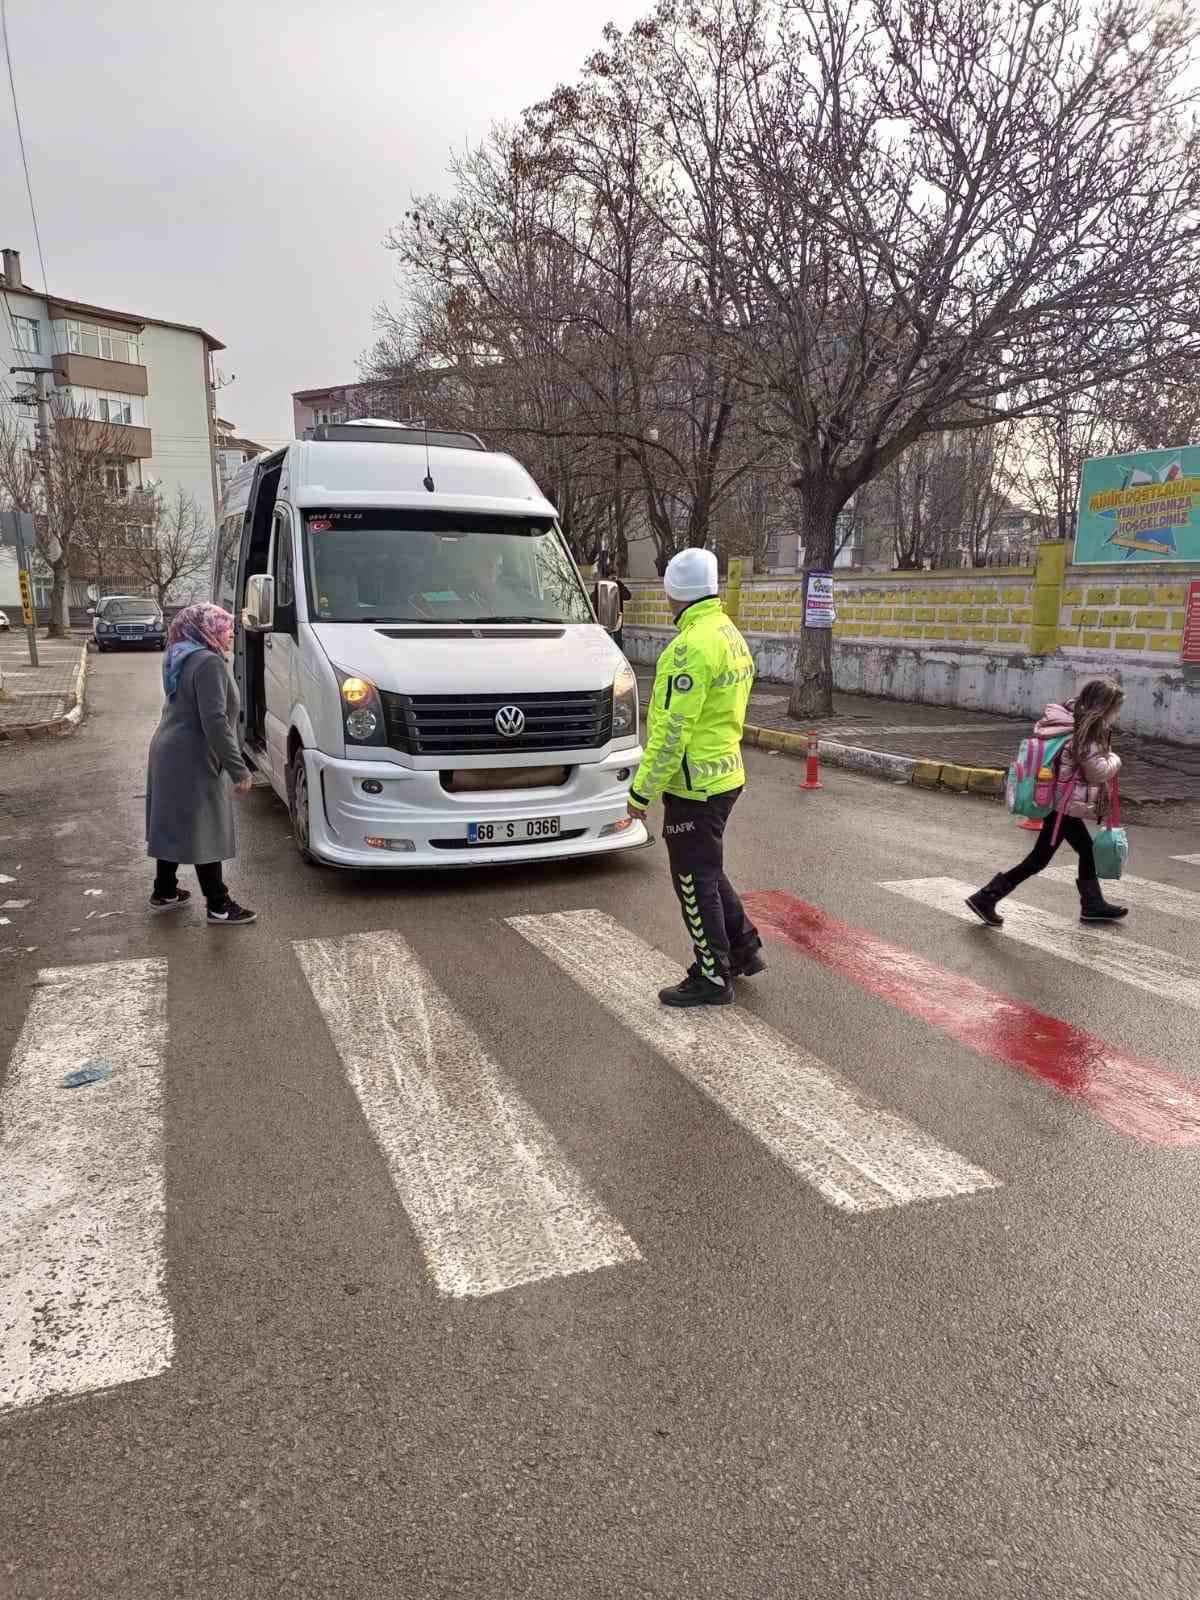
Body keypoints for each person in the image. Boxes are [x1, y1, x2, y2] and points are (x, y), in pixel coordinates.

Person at [627, 547, 762, 1007]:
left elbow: (670, 733)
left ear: (674, 593)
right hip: (725, 775)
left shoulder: (687, 649)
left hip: (694, 786)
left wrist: (641, 792)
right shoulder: (728, 633)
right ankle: (742, 948)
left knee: (692, 880)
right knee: (708, 869)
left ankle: (712, 975)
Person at [966, 678, 1129, 927]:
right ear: (1104, 707)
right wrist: (1115, 759)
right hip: (1062, 807)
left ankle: (1093, 904)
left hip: (1060, 803)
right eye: (1115, 708)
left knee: (1087, 850)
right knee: (1039, 859)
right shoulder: (1084, 732)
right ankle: (986, 897)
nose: (1116, 714)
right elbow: (1096, 772)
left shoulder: (1070, 720)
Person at [146, 603, 258, 926]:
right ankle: (218, 904)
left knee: (172, 820)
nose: (231, 633)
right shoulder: (208, 662)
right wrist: (238, 769)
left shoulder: (179, 653)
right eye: (225, 627)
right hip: (193, 756)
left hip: (168, 749)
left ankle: (165, 890)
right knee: (205, 827)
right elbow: (215, 722)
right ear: (206, 629)